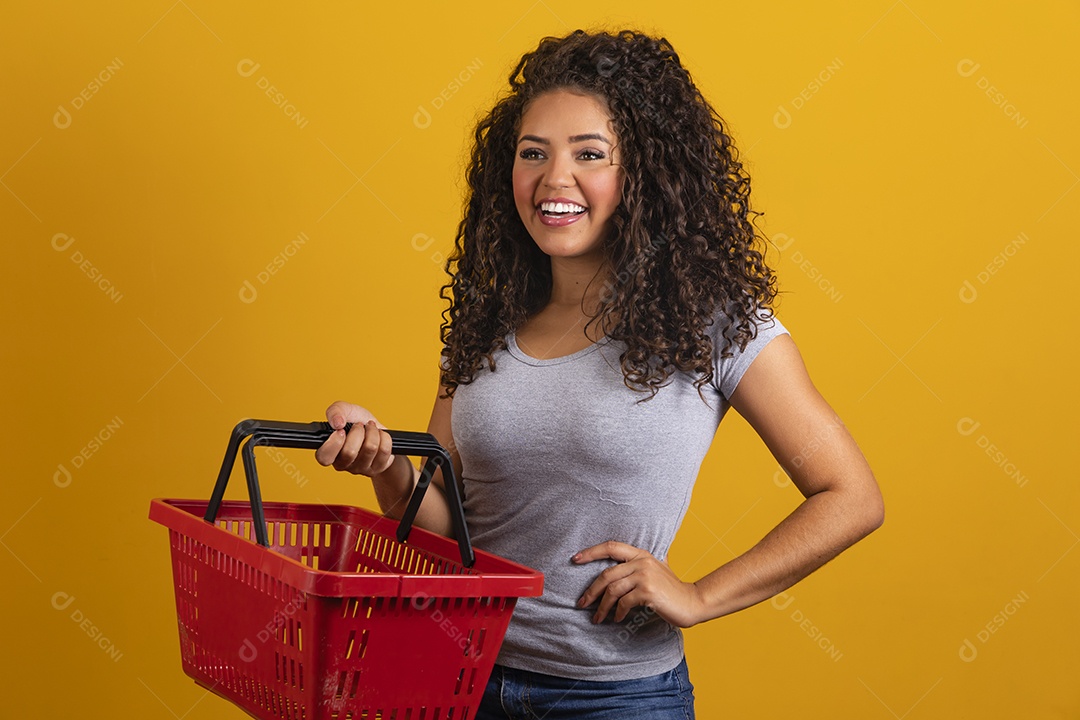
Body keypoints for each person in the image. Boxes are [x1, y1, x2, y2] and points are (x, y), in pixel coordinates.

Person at [315, 29, 883, 719]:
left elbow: (850, 496)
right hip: (461, 681)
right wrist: (386, 465)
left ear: (645, 173)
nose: (556, 179)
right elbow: (444, 533)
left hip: (619, 700)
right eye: (534, 154)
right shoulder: (485, 325)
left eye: (590, 154)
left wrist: (699, 597)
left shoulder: (713, 326)